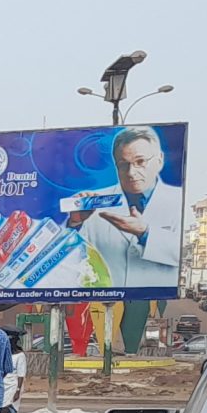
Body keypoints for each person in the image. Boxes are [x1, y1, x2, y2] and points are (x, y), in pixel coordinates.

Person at [67, 124, 181, 289]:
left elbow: (183, 255)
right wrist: (75, 224)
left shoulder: (178, 201)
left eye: (140, 162)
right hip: (100, 303)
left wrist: (145, 233)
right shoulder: (94, 202)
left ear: (160, 160)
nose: (131, 173)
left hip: (155, 302)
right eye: (123, 164)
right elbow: (71, 262)